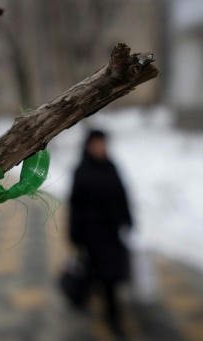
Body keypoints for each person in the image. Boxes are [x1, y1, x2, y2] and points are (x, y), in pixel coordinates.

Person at [69, 129, 133, 339]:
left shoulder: (111, 166)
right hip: (92, 235)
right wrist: (74, 234)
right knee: (98, 274)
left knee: (109, 277)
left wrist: (128, 217)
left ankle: (111, 313)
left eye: (104, 143)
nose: (101, 148)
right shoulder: (81, 171)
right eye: (97, 144)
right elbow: (75, 206)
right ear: (88, 146)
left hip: (111, 232)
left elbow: (122, 193)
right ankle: (91, 303)